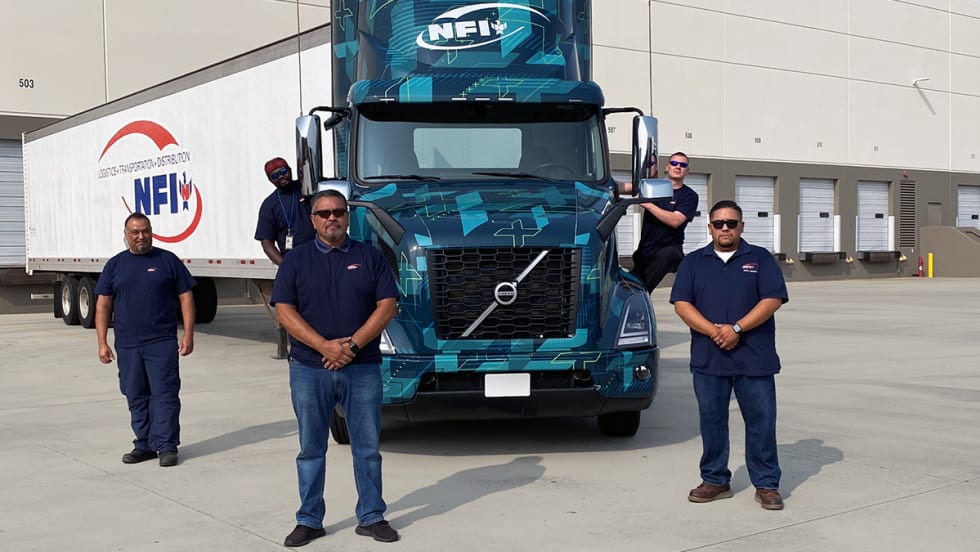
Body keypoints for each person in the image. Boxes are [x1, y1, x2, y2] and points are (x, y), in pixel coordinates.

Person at [271, 190, 400, 547]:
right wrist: (324, 346)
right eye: (324, 213)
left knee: (367, 448)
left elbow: (387, 306)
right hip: (309, 369)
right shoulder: (295, 260)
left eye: (339, 212)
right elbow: (284, 311)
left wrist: (352, 346)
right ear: (313, 220)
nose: (332, 218)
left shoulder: (369, 256)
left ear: (347, 216)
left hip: (363, 368)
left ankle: (371, 516)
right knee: (311, 449)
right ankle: (310, 520)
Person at [669, 200, 789, 510]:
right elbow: (682, 304)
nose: (725, 228)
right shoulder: (693, 262)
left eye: (732, 223)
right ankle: (715, 480)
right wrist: (715, 332)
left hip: (755, 359)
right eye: (719, 223)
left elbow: (772, 299)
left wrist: (736, 328)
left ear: (741, 227)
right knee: (712, 422)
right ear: (709, 227)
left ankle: (766, 484)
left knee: (761, 422)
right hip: (709, 359)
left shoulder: (760, 259)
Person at [95, 213, 196, 468]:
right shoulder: (115, 265)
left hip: (161, 341)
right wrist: (102, 342)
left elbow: (186, 297)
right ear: (126, 234)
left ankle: (166, 446)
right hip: (128, 344)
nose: (141, 236)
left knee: (165, 394)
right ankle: (145, 444)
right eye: (135, 232)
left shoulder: (167, 261)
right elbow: (103, 304)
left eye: (145, 231)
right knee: (135, 395)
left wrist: (188, 334)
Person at [254, 157, 315, 358]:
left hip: (321, 258)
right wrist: (285, 264)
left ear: (290, 170)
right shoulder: (269, 205)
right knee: (291, 308)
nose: (281, 177)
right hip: (294, 265)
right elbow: (266, 242)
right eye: (275, 175)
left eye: (283, 171)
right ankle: (295, 349)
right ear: (270, 180)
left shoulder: (307, 190)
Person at [631, 151, 699, 292]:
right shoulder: (654, 188)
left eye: (682, 165)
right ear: (667, 167)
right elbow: (626, 187)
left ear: (687, 170)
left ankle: (639, 293)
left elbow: (675, 221)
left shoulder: (690, 196)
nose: (678, 167)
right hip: (645, 250)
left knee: (641, 289)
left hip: (670, 250)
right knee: (629, 286)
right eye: (674, 163)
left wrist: (648, 205)